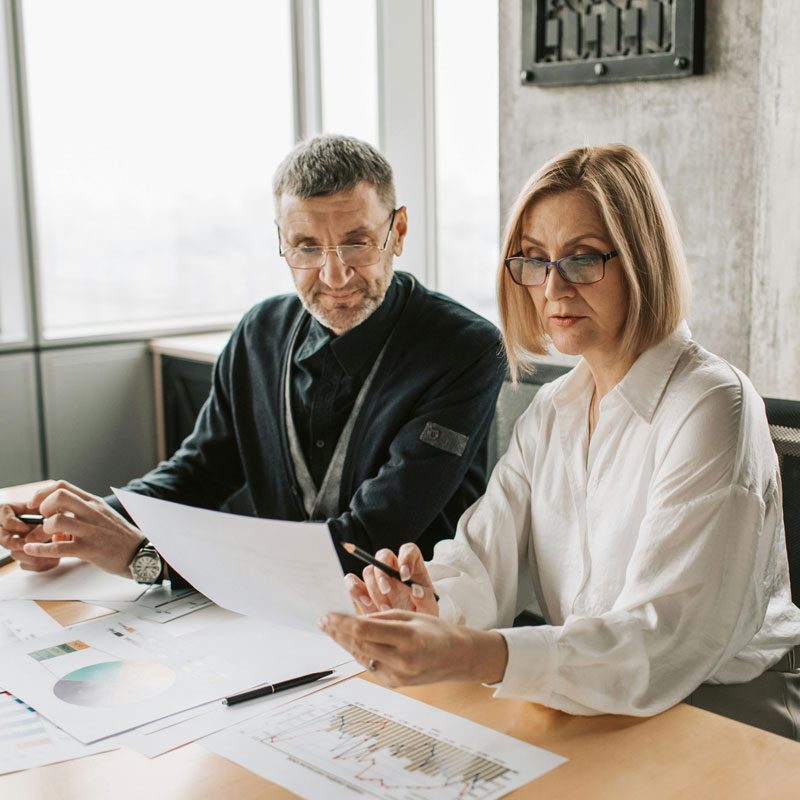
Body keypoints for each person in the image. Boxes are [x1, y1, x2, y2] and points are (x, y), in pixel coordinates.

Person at [321, 144, 800, 739]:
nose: (553, 287)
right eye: (534, 260)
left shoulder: (710, 404)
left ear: (643, 260)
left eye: (581, 259)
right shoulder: (552, 410)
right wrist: (427, 603)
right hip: (595, 701)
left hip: (726, 715)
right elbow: (481, 561)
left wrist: (477, 655)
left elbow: (660, 639)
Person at [0, 134, 504, 584]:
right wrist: (76, 525)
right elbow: (197, 474)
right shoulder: (259, 332)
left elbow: (367, 541)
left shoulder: (466, 348)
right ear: (281, 242)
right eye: (306, 247)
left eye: (357, 243)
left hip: (415, 624)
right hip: (268, 613)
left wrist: (141, 555)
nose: (334, 276)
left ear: (398, 231)